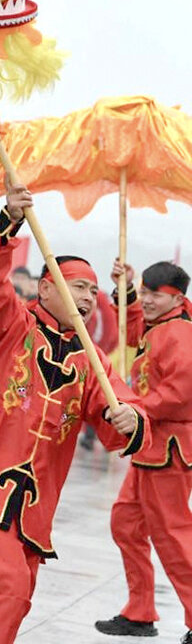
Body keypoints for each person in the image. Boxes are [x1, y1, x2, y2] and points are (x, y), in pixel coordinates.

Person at [0, 183, 146, 644]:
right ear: (46, 286)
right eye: (78, 286)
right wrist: (7, 223)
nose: (87, 297)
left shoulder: (91, 357)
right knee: (7, 587)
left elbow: (116, 405)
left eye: (93, 291)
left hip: (33, 505)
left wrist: (131, 418)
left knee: (13, 598)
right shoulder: (9, 325)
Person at [96, 260, 192, 642]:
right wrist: (126, 286)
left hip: (170, 449)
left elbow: (181, 393)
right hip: (150, 448)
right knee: (126, 523)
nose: (147, 301)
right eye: (146, 293)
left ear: (178, 298)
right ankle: (139, 611)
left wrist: (135, 407)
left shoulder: (181, 333)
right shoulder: (162, 326)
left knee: (172, 534)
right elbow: (132, 328)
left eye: (155, 294)